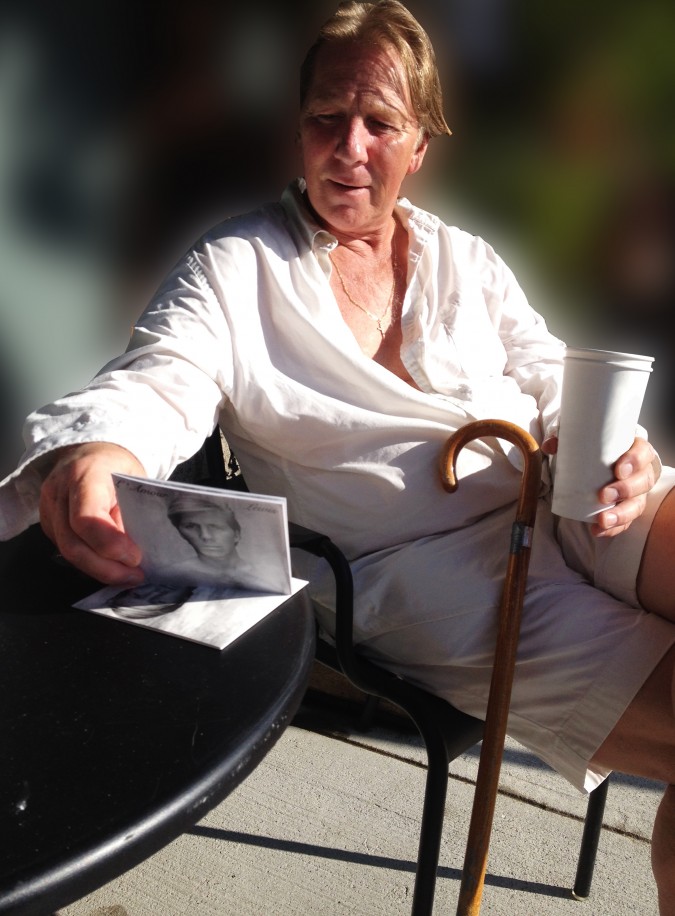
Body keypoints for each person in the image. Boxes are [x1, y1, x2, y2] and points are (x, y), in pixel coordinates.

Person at [0, 2, 673, 909]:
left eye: (379, 122)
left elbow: (549, 370)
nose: (349, 146)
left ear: (420, 145)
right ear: (298, 130)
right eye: (327, 117)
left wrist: (619, 449)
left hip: (567, 497)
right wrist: (98, 450)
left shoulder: (464, 260)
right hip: (425, 575)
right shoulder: (236, 268)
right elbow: (161, 375)